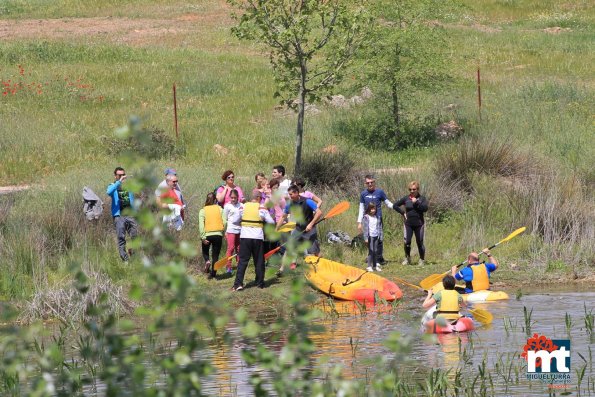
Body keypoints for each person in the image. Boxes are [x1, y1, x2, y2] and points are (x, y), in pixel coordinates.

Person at [232, 191, 275, 291]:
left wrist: (243, 223)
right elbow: (271, 222)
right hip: (258, 237)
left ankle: (238, 284)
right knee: (259, 260)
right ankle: (260, 283)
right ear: (259, 198)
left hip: (245, 237)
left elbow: (234, 220)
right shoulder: (262, 208)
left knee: (242, 261)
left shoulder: (243, 207)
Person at [277, 185, 323, 273]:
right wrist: (277, 228)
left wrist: (311, 224)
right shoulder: (290, 204)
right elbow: (283, 217)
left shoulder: (308, 201)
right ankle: (281, 269)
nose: (290, 196)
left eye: (291, 194)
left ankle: (321, 267)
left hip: (310, 229)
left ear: (297, 193)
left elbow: (319, 213)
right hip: (298, 229)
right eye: (289, 194)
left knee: (315, 251)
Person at [356, 175, 393, 265]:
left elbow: (388, 203)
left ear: (374, 182)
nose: (370, 184)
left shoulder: (380, 192)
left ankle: (379, 257)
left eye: (371, 182)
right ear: (365, 184)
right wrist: (359, 222)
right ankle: (371, 256)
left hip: (378, 219)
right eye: (368, 183)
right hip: (367, 220)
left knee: (379, 238)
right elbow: (361, 208)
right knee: (368, 239)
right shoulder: (363, 194)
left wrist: (398, 208)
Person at [106, 167, 138, 262]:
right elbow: (108, 192)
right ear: (115, 176)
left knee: (135, 237)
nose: (122, 177)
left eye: (123, 175)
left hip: (131, 215)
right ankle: (125, 260)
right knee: (121, 238)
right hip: (119, 216)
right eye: (119, 175)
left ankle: (133, 255)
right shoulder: (113, 185)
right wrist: (119, 182)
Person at [393, 180, 429, 265]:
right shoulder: (406, 198)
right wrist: (403, 213)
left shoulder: (422, 198)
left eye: (414, 189)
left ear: (418, 189)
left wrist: (417, 202)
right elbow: (395, 205)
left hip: (419, 224)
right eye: (410, 189)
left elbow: (425, 208)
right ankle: (407, 258)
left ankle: (421, 259)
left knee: (419, 242)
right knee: (407, 242)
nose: (412, 191)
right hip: (408, 224)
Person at [199, 192, 226, 279]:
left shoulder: (203, 210)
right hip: (218, 234)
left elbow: (201, 225)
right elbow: (225, 222)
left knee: (205, 251)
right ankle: (213, 274)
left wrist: (203, 237)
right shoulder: (220, 209)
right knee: (215, 255)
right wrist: (222, 231)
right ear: (215, 200)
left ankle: (207, 260)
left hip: (207, 235)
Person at [223, 189, 243, 274]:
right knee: (231, 248)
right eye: (232, 198)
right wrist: (225, 231)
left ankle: (239, 264)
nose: (233, 199)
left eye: (235, 198)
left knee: (239, 248)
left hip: (240, 229)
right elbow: (225, 218)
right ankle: (228, 266)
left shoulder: (241, 205)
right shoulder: (227, 206)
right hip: (231, 229)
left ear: (238, 197)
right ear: (229, 198)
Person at [362, 202, 382, 272]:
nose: (373, 210)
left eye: (374, 209)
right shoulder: (366, 217)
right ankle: (369, 266)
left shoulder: (377, 217)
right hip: (370, 236)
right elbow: (365, 228)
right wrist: (366, 238)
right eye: (371, 209)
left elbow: (379, 227)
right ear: (369, 209)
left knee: (376, 251)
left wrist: (380, 236)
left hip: (376, 235)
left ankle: (375, 266)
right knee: (371, 251)